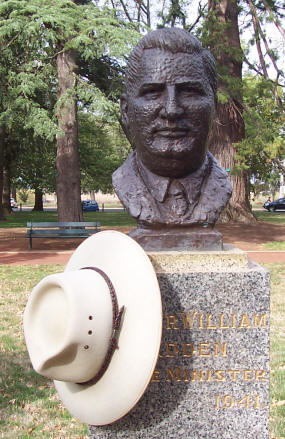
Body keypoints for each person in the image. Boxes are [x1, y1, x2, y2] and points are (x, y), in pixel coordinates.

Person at [112, 28, 231, 233]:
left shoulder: (222, 185)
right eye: (152, 93)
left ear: (215, 109)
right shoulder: (122, 180)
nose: (172, 110)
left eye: (190, 92)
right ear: (126, 110)